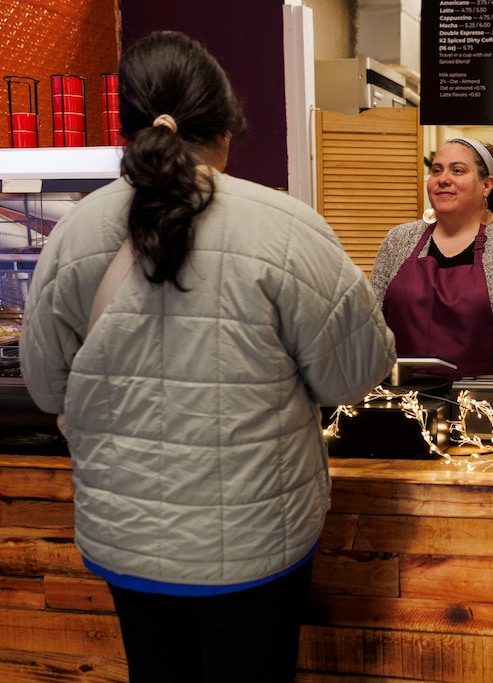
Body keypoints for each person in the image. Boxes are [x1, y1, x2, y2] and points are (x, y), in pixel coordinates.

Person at [20, 31, 396, 683]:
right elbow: (353, 373)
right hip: (257, 546)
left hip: (127, 542)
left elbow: (46, 388)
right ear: (224, 130)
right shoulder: (286, 229)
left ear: (129, 132)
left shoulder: (74, 234)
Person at [370, 137, 493, 414]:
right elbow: (370, 324)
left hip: (488, 414)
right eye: (437, 170)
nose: (443, 179)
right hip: (402, 411)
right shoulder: (399, 240)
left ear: (487, 184)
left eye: (457, 170)